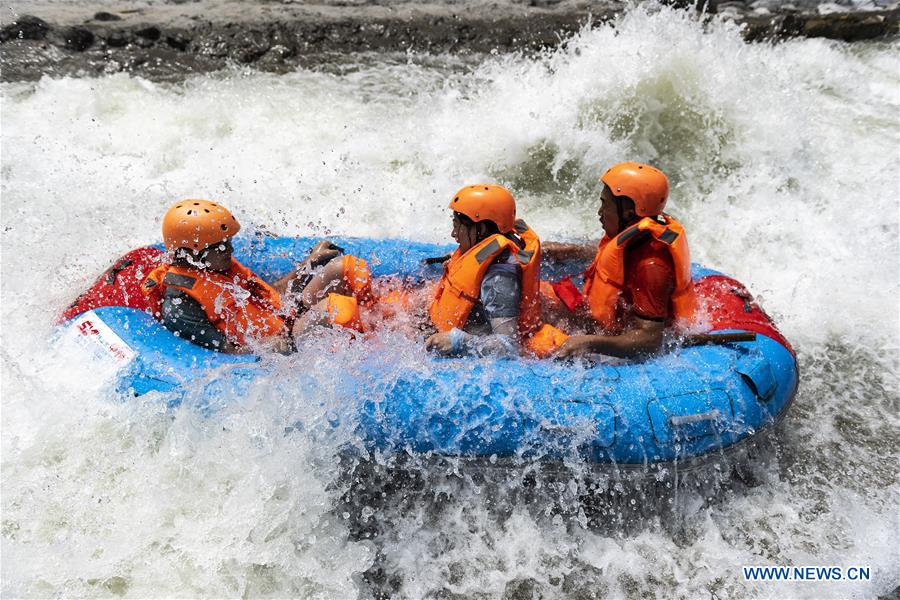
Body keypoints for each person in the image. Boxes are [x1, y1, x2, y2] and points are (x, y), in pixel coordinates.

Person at [142, 199, 371, 353]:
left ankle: (381, 313)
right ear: (192, 252)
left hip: (286, 317)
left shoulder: (218, 266)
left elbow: (266, 294)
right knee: (337, 309)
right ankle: (375, 343)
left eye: (228, 242)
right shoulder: (180, 304)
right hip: (283, 344)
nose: (230, 250)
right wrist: (270, 347)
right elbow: (224, 350)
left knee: (343, 267)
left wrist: (307, 266)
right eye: (221, 246)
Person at [540, 162, 697, 359]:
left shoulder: (652, 268)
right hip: (610, 317)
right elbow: (620, 257)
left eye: (605, 204)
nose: (599, 212)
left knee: (538, 318)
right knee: (537, 294)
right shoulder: (636, 234)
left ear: (629, 213)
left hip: (621, 333)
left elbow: (650, 340)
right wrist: (575, 251)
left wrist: (588, 343)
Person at [424, 184, 550, 357]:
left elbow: (509, 346)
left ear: (481, 229)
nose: (454, 234)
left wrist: (458, 342)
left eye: (458, 226)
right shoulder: (487, 248)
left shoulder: (499, 278)